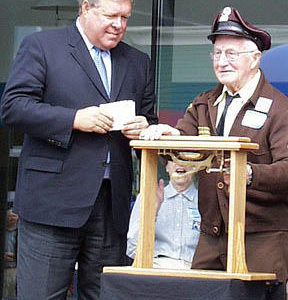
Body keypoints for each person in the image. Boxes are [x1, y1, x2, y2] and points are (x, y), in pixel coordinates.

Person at [0, 0, 158, 298]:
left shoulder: (138, 61)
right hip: (52, 204)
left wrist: (144, 128)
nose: (119, 25)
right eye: (111, 15)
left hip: (112, 207)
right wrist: (73, 119)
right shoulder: (42, 46)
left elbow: (149, 121)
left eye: (125, 17)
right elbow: (13, 108)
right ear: (85, 7)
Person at [140, 6, 288, 297]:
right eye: (217, 54)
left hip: (261, 241)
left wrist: (249, 174)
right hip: (211, 238)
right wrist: (168, 137)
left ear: (255, 59)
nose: (222, 62)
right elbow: (184, 142)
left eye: (231, 54)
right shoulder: (204, 103)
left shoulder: (280, 108)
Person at [126, 157, 200, 269]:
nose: (179, 164)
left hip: (195, 271)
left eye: (185, 160)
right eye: (174, 160)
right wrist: (152, 213)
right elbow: (132, 250)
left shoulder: (206, 201)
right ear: (166, 167)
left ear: (195, 167)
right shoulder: (149, 196)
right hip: (156, 269)